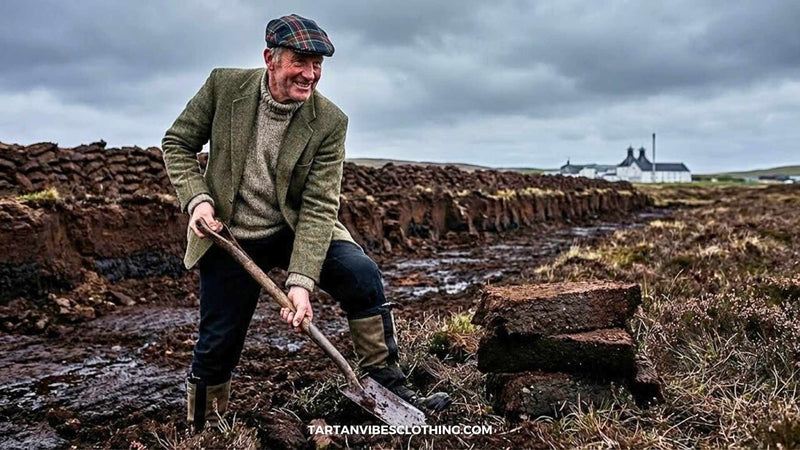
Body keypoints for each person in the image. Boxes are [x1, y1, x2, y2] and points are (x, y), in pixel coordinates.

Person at [162, 14, 451, 431]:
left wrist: (301, 282)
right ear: (270, 58)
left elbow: (318, 206)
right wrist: (199, 202)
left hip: (294, 228)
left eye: (319, 64)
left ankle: (386, 385)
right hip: (230, 234)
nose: (311, 74)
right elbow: (177, 142)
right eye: (302, 61)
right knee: (218, 341)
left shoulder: (330, 121)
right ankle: (204, 427)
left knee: (361, 274)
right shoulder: (223, 88)